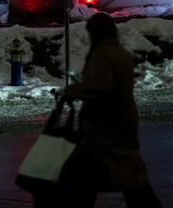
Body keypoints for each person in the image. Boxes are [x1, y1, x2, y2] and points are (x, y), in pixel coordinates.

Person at [55, 12, 162, 208]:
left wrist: (70, 91)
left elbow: (100, 86)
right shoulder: (120, 52)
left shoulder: (102, 54)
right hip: (123, 119)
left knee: (89, 172)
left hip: (105, 125)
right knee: (128, 171)